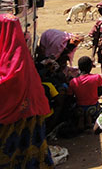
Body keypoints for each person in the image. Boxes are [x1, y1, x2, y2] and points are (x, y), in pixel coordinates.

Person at [0, 14, 54, 168]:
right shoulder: (23, 58)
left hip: (12, 121)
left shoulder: (11, 62)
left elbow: (7, 85)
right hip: (32, 112)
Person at [69, 56, 102, 131]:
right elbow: (100, 92)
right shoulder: (96, 77)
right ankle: (89, 120)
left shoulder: (73, 81)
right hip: (93, 107)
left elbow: (70, 96)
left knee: (78, 109)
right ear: (90, 67)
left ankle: (81, 119)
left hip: (79, 107)